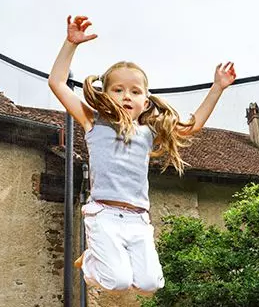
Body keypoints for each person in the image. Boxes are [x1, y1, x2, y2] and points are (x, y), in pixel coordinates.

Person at [48, 15, 236, 292]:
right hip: (104, 214)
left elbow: (192, 125)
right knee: (118, 281)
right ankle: (91, 260)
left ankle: (101, 255)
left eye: (134, 91)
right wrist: (70, 44)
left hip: (138, 219)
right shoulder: (94, 122)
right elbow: (57, 83)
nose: (126, 96)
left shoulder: (148, 132)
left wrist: (217, 88)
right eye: (118, 90)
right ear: (106, 94)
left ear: (144, 101)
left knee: (150, 284)